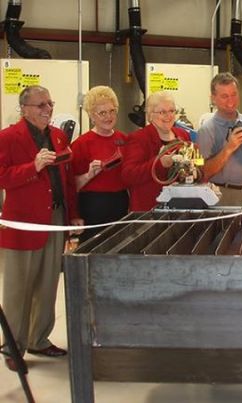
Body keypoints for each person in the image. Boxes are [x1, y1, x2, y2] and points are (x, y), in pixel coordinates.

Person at [0, 85, 83, 371]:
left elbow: (67, 179)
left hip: (56, 219)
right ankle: (13, 346)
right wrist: (32, 167)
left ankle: (38, 338)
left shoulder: (58, 136)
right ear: (24, 108)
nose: (47, 109)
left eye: (50, 103)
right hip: (22, 223)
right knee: (18, 290)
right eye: (40, 105)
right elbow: (2, 177)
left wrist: (73, 214)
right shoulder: (8, 137)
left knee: (48, 284)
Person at [71, 86, 129, 242]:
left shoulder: (124, 139)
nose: (108, 117)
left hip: (121, 202)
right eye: (102, 113)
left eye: (112, 111)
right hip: (93, 205)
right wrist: (89, 175)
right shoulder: (81, 144)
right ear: (91, 115)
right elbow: (71, 186)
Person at [197, 72, 242, 206]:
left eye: (234, 94)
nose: (231, 101)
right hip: (225, 195)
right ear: (213, 98)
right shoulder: (207, 130)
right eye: (224, 96)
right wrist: (228, 148)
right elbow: (203, 173)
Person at [121, 91, 191, 211]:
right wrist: (159, 163)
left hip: (179, 209)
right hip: (149, 210)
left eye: (172, 111)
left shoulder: (182, 135)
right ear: (150, 115)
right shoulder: (139, 138)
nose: (168, 116)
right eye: (162, 112)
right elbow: (128, 175)